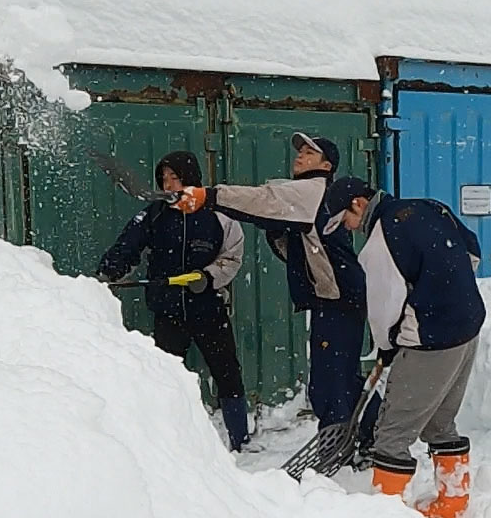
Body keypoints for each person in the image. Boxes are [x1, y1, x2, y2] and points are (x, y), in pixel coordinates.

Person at [170, 132, 372, 438]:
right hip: (340, 298)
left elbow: (263, 199)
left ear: (327, 165)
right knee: (344, 376)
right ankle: (372, 436)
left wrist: (209, 196)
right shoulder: (310, 195)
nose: (300, 156)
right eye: (299, 152)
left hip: (338, 300)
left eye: (309, 153)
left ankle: (338, 443)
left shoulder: (311, 189)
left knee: (329, 382)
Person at [318, 176, 485, 518]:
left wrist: (386, 347)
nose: (349, 228)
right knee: (440, 423)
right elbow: (471, 252)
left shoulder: (380, 241)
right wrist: (448, 290)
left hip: (430, 338)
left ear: (358, 204)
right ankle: (452, 506)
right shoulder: (428, 207)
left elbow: (383, 307)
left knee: (392, 434)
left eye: (345, 220)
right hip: (467, 328)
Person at [97, 150, 251, 451]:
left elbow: (232, 257)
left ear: (190, 179)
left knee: (227, 373)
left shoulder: (218, 215)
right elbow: (127, 246)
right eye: (164, 179)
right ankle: (168, 442)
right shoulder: (153, 214)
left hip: (208, 308)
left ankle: (240, 437)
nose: (169, 185)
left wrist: (207, 277)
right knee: (165, 377)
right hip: (167, 310)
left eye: (175, 178)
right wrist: (106, 274)